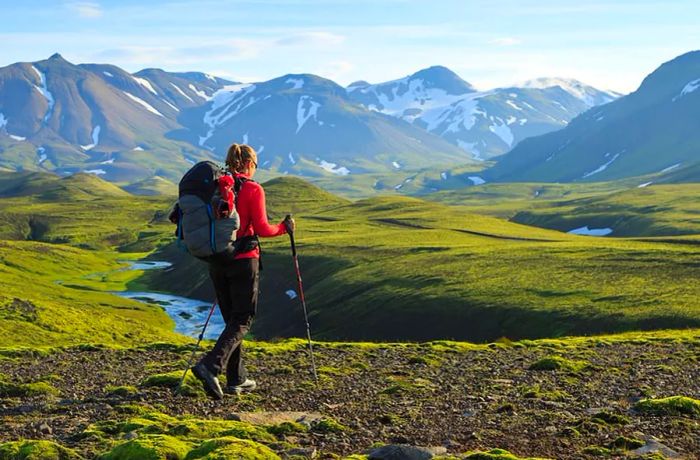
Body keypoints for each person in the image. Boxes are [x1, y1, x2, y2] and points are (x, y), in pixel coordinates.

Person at [192, 143, 294, 399]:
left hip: (217, 260)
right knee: (244, 318)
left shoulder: (213, 188)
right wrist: (284, 228)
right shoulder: (252, 188)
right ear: (250, 164)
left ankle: (236, 379)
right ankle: (210, 365)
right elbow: (261, 228)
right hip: (244, 260)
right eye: (256, 165)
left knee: (232, 321)